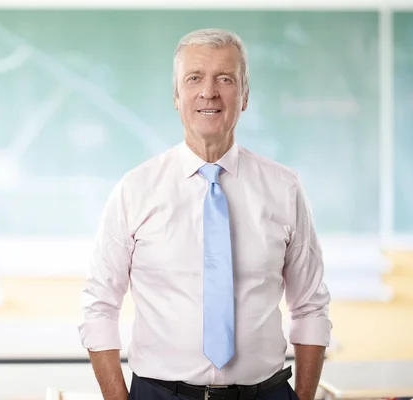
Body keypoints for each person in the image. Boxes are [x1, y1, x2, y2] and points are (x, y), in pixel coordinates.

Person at [78, 28, 332, 400]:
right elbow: (99, 306)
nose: (208, 92)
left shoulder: (285, 188)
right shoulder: (135, 190)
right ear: (176, 97)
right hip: (159, 393)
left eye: (225, 79)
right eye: (194, 78)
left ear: (244, 96)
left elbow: (310, 306)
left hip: (266, 393)